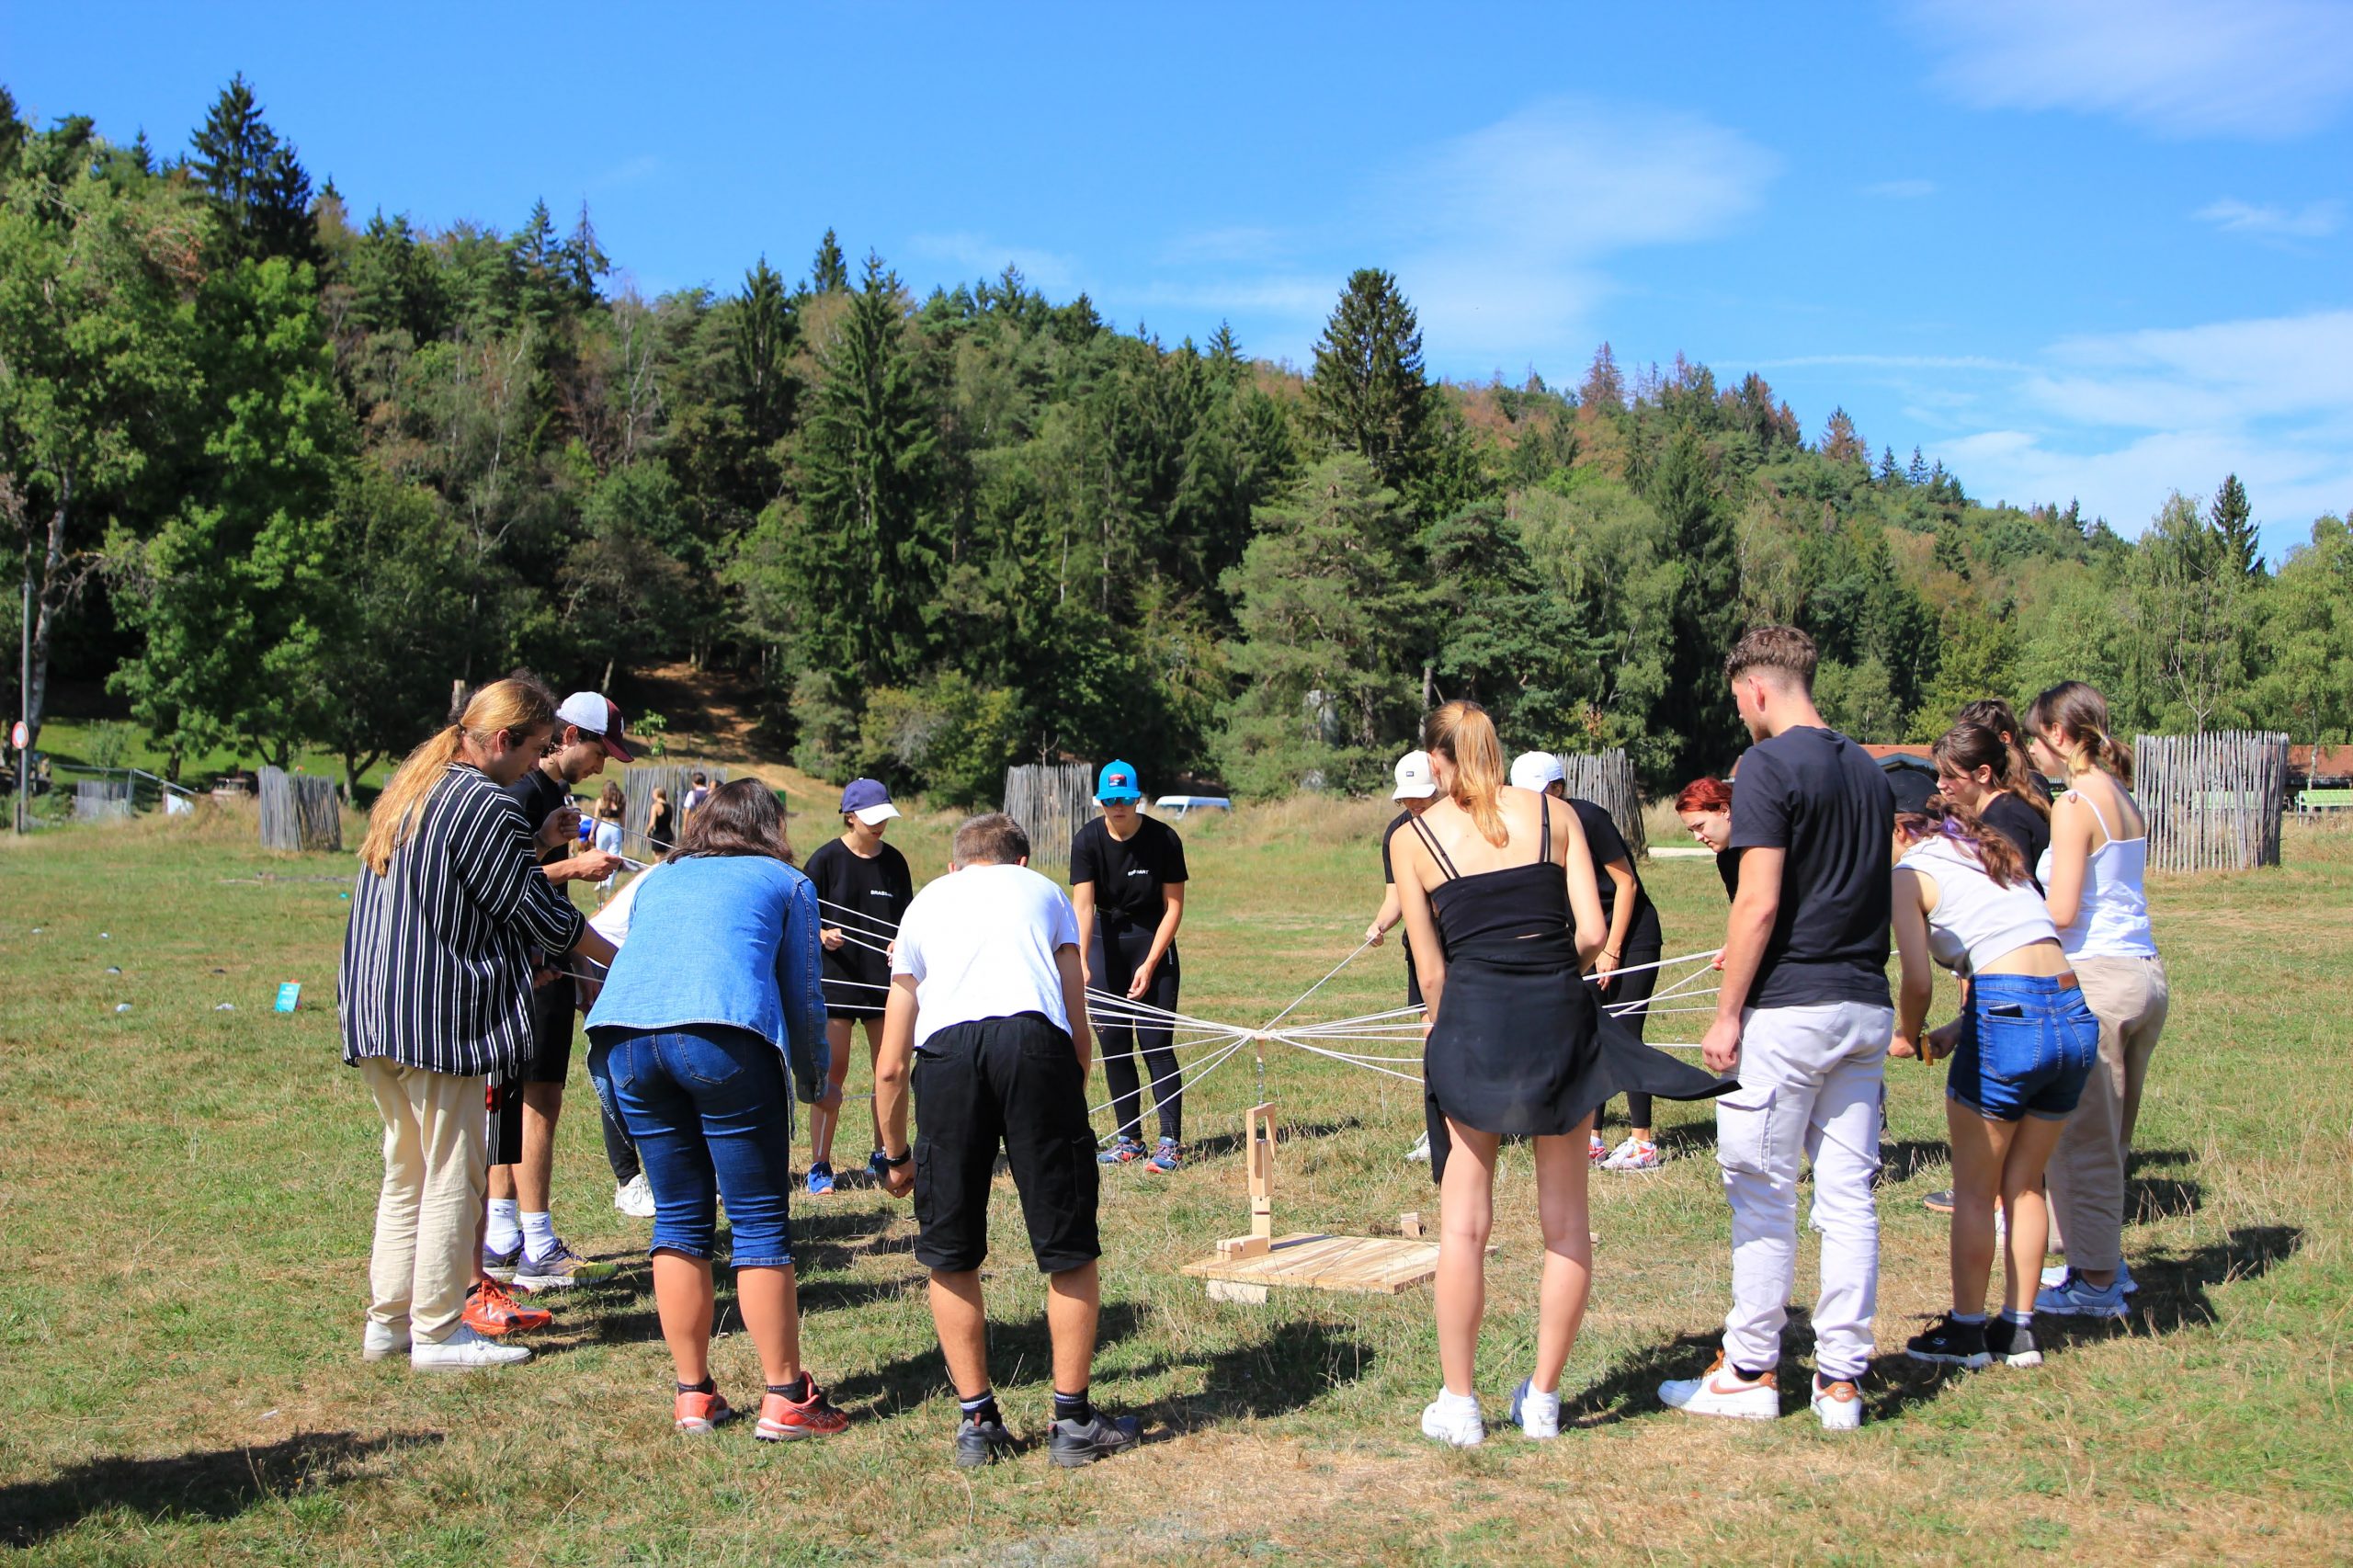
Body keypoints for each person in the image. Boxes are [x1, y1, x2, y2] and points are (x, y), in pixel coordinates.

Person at [1398, 703, 1727, 1446]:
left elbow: (1430, 969)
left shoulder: (1413, 837)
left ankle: (1460, 1403)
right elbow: (1590, 932)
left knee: (1464, 1225)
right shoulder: (1558, 816)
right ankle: (1543, 1400)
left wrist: (1458, 1015)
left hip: (1472, 1024)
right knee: (1567, 1224)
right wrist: (1549, 973)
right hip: (1560, 1019)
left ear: (1438, 761)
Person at [340, 676, 617, 1370]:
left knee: (407, 1170)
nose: (536, 763)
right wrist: (619, 958)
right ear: (500, 741)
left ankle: (389, 1323)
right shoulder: (482, 803)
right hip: (437, 1019)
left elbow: (460, 902)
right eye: (533, 749)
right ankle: (435, 1330)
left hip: (377, 1008)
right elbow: (535, 909)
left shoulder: (417, 786)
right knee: (449, 1175)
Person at [1659, 626, 1894, 1433]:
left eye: (1738, 702)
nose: (1743, 717)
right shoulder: (1869, 769)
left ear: (1756, 690)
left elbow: (1757, 899)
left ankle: (1752, 1370)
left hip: (1790, 1011)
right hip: (1865, 1004)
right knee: (1848, 1199)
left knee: (1759, 1191)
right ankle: (1841, 1382)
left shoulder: (1763, 766)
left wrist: (1727, 1013)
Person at [872, 812, 1142, 1469]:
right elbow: (1079, 1024)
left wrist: (896, 1154)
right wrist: (1062, 1111)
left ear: (953, 865)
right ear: (1020, 863)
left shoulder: (925, 905)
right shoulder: (1045, 892)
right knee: (1067, 1244)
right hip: (1034, 1044)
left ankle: (977, 1423)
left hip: (947, 1055)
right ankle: (1072, 1421)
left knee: (950, 1249)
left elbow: (889, 1062)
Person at [583, 778, 847, 1439]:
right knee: (759, 1223)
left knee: (678, 1219)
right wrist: (818, 1082)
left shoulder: (661, 880)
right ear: (771, 827)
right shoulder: (786, 883)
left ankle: (693, 1393)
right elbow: (803, 995)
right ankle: (786, 1395)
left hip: (625, 1042)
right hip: (722, 1038)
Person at [1889, 788, 2098, 1371]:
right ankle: (2019, 1330)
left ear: (1901, 829)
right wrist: (1962, 1026)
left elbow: (1917, 981)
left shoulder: (1909, 874)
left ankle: (1965, 1331)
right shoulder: (1988, 851)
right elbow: (2021, 956)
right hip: (2072, 1014)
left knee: (1976, 1191)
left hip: (2009, 1018)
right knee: (2026, 1184)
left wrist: (1909, 1033)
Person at [2027, 681, 2167, 1320]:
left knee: (2083, 1138)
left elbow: (2061, 909)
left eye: (2036, 737)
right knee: (2110, 1138)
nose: (2035, 750)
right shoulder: (2123, 795)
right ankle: (2101, 1259)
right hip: (2142, 975)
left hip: (2099, 981)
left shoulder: (2076, 801)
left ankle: (2097, 1283)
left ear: (2060, 734)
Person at [482, 692, 631, 1293]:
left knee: (513, 1097)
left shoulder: (552, 797)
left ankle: (502, 1236)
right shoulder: (520, 794)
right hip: (525, 967)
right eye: (599, 750)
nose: (602, 766)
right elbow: (497, 881)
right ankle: (535, 1240)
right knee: (535, 1100)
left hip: (543, 962)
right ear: (568, 735)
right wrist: (572, 867)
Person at [1509, 751, 1670, 1171]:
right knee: (1585, 1036)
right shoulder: (1530, 830)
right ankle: (1592, 1138)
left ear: (1559, 789)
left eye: (1540, 794)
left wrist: (1611, 949)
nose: (1533, 804)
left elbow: (1626, 883)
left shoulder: (1589, 818)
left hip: (1628, 934)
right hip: (1583, 939)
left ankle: (1642, 1143)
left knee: (1625, 1033)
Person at [1070, 760, 1189, 1173]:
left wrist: (1152, 962)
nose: (1117, 807)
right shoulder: (1087, 839)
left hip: (1152, 938)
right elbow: (1083, 906)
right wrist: (1081, 959)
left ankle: (1170, 1141)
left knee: (1156, 1043)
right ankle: (1129, 1139)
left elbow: (1174, 907)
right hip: (1106, 942)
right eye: (1109, 800)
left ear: (1138, 799)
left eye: (1124, 799)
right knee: (1114, 1045)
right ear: (1100, 801)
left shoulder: (1164, 840)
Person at [801, 778, 916, 1195]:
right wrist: (820, 935)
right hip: (835, 984)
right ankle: (820, 1163)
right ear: (849, 817)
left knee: (887, 1072)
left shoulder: (896, 862)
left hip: (883, 986)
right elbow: (800, 917)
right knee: (834, 1072)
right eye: (871, 818)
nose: (879, 825)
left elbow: (907, 920)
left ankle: (882, 1152)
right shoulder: (825, 860)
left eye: (884, 817)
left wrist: (897, 941)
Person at [1369, 751, 1440, 1164]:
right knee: (1431, 1034)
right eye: (1408, 799)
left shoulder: (1458, 824)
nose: (1415, 805)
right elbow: (1395, 896)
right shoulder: (1397, 833)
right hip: (1422, 946)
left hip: (1464, 943)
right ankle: (1438, 1126)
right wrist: (1380, 924)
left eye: (1423, 796)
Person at [1936, 721, 2051, 887]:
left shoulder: (2005, 819)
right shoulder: (2003, 809)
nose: (1940, 784)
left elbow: (2018, 891)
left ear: (1983, 773)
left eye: (1949, 776)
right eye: (1939, 775)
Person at [1675, 777, 1739, 901]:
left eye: (1700, 826)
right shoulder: (1725, 859)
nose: (1697, 838)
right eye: (1692, 831)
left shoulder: (1765, 845)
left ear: (1724, 810)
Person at [647, 787, 676, 857]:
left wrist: (647, 831)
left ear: (657, 794)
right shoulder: (670, 806)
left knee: (658, 858)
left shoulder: (655, 806)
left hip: (659, 835)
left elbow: (652, 823)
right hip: (669, 835)